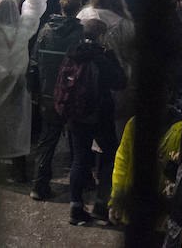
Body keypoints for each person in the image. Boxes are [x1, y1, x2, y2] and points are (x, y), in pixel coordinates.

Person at [58, 18, 127, 226]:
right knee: (110, 154)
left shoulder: (73, 52)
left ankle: (75, 208)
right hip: (100, 113)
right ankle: (100, 204)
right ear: (101, 35)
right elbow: (120, 82)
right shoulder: (102, 56)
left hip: (76, 115)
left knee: (79, 159)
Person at [0, 0, 47, 184]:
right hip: (17, 88)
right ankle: (19, 172)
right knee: (17, 130)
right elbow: (34, 11)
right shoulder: (22, 32)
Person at [31, 0, 84, 201]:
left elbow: (34, 63)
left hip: (48, 94)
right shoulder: (81, 33)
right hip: (73, 95)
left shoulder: (45, 31)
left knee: (47, 141)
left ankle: (38, 185)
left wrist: (35, 91)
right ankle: (81, 184)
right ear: (79, 7)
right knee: (78, 141)